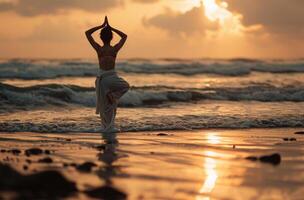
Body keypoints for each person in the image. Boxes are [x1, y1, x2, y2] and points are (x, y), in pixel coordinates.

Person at [85, 16, 129, 133]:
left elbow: (88, 33)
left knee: (105, 108)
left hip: (103, 79)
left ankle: (107, 129)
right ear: (111, 37)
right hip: (110, 78)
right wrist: (111, 27)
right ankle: (109, 130)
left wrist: (101, 26)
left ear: (101, 37)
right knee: (123, 89)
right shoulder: (114, 49)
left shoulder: (99, 49)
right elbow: (124, 36)